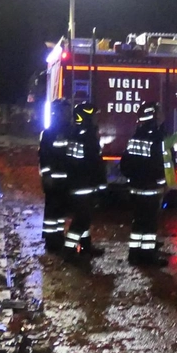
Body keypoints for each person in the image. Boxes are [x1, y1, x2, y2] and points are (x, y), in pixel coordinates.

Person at [121, 102, 166, 261]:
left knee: (138, 221)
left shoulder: (135, 137)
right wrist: (163, 182)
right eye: (158, 113)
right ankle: (148, 256)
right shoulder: (158, 138)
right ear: (153, 116)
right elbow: (162, 163)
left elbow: (125, 164)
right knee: (150, 223)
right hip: (151, 188)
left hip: (136, 188)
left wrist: (132, 179)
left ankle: (134, 253)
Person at [63, 101, 104, 254]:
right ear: (86, 117)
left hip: (78, 184)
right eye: (93, 116)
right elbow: (94, 163)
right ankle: (69, 249)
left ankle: (86, 246)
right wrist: (101, 184)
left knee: (84, 218)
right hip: (84, 185)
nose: (96, 119)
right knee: (82, 219)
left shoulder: (76, 133)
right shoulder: (88, 136)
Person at [38, 98, 74, 246]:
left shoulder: (70, 130)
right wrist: (47, 175)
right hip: (53, 179)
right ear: (58, 112)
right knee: (52, 211)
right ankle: (51, 239)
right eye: (64, 111)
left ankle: (58, 235)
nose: (68, 113)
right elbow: (44, 156)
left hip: (65, 179)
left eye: (68, 110)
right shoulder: (49, 133)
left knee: (61, 210)